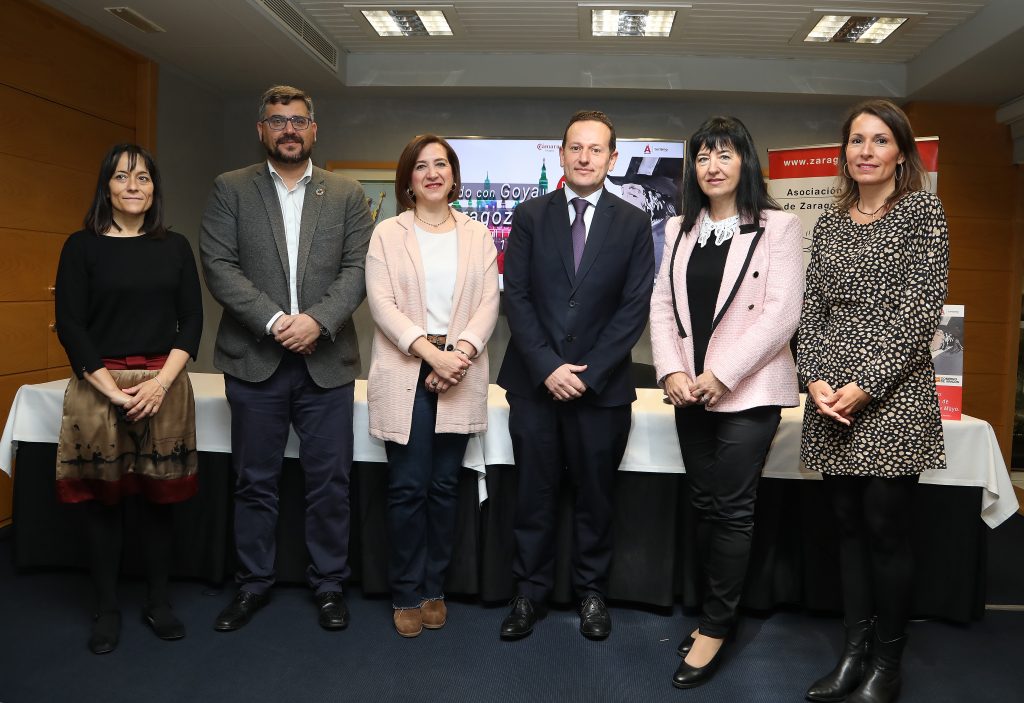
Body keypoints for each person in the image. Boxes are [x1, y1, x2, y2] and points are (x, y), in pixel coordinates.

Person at [200, 85, 373, 632]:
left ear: (314, 129)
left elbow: (359, 269)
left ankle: (328, 586)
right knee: (255, 481)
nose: (289, 129)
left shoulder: (346, 194)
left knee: (330, 482)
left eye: (299, 120)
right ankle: (252, 586)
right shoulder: (231, 189)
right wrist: (277, 322)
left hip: (326, 362)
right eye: (278, 120)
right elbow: (219, 264)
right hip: (254, 360)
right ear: (262, 130)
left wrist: (316, 322)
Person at [797, 99, 949, 703]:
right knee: (847, 530)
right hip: (830, 398)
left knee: (886, 531)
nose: (865, 151)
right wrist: (814, 380)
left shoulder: (921, 212)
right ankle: (852, 653)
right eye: (856, 140)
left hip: (893, 398)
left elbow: (919, 314)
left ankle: (888, 663)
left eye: (879, 141)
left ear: (901, 153)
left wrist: (866, 384)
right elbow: (812, 312)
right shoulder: (832, 222)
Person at [649, 116, 804, 688]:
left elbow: (783, 315)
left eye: (724, 154)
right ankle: (718, 611)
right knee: (705, 504)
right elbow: (663, 309)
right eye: (702, 157)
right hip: (689, 392)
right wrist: (669, 370)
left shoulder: (778, 227)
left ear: (745, 161)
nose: (712, 166)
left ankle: (716, 625)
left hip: (751, 391)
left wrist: (723, 374)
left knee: (733, 509)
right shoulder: (676, 230)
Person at [497, 110, 655, 641]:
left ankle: (593, 594)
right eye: (575, 148)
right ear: (560, 155)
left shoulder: (632, 224)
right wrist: (547, 367)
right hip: (534, 385)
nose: (585, 157)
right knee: (533, 496)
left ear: (612, 158)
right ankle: (528, 594)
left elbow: (634, 307)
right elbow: (515, 297)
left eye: (596, 149)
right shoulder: (530, 215)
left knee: (596, 498)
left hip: (601, 388)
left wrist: (588, 374)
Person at [54, 143, 203, 654]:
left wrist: (160, 383)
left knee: (160, 502)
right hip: (99, 387)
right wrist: (112, 391)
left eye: (142, 177)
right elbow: (71, 325)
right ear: (107, 187)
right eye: (122, 177)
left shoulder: (175, 246)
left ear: (154, 187)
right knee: (104, 502)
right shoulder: (81, 247)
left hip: (165, 386)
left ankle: (158, 602)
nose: (134, 186)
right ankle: (107, 608)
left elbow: (194, 322)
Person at [365, 134, 499, 637]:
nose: (432, 173)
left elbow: (489, 303)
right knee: (406, 488)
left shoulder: (478, 234)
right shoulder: (387, 235)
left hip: (460, 367)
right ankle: (404, 590)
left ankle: (433, 588)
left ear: (454, 175)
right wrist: (430, 356)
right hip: (408, 366)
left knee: (445, 487)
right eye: (420, 166)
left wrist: (458, 355)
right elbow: (381, 305)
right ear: (407, 180)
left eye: (440, 164)